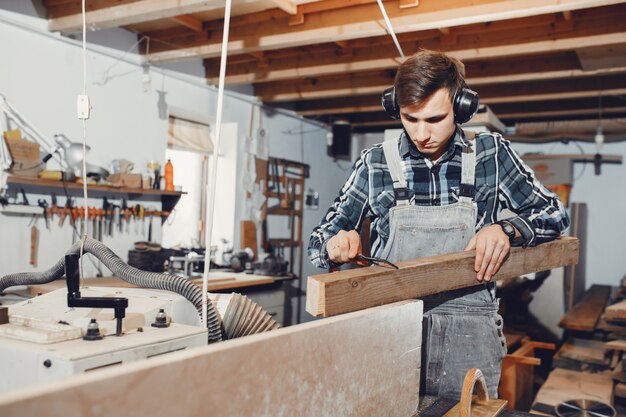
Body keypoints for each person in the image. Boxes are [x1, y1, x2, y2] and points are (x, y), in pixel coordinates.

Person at [308, 49, 569, 399]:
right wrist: (334, 245)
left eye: (434, 119)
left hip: (469, 333)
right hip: (390, 332)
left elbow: (555, 213)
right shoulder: (375, 163)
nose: (421, 133)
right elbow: (319, 239)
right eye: (410, 119)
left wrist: (507, 229)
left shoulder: (491, 154)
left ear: (462, 107)